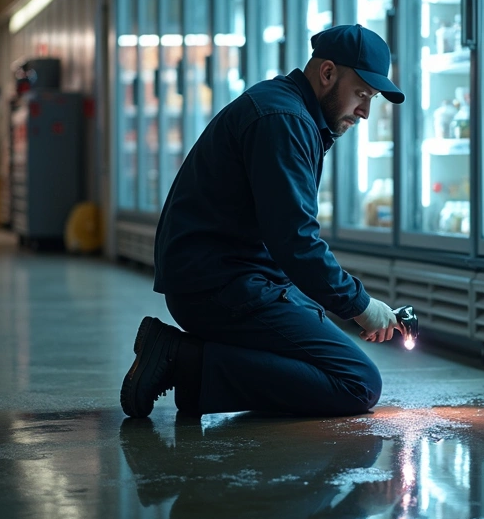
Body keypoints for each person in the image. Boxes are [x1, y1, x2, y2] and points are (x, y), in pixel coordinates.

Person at [120, 24, 405, 420]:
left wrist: (339, 305)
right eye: (361, 94)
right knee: (358, 383)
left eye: (370, 99)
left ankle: (191, 362)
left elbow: (286, 239)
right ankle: (183, 359)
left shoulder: (290, 111)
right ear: (327, 74)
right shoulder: (283, 119)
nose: (365, 111)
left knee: (320, 325)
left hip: (231, 276)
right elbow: (295, 240)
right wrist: (359, 305)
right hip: (217, 286)